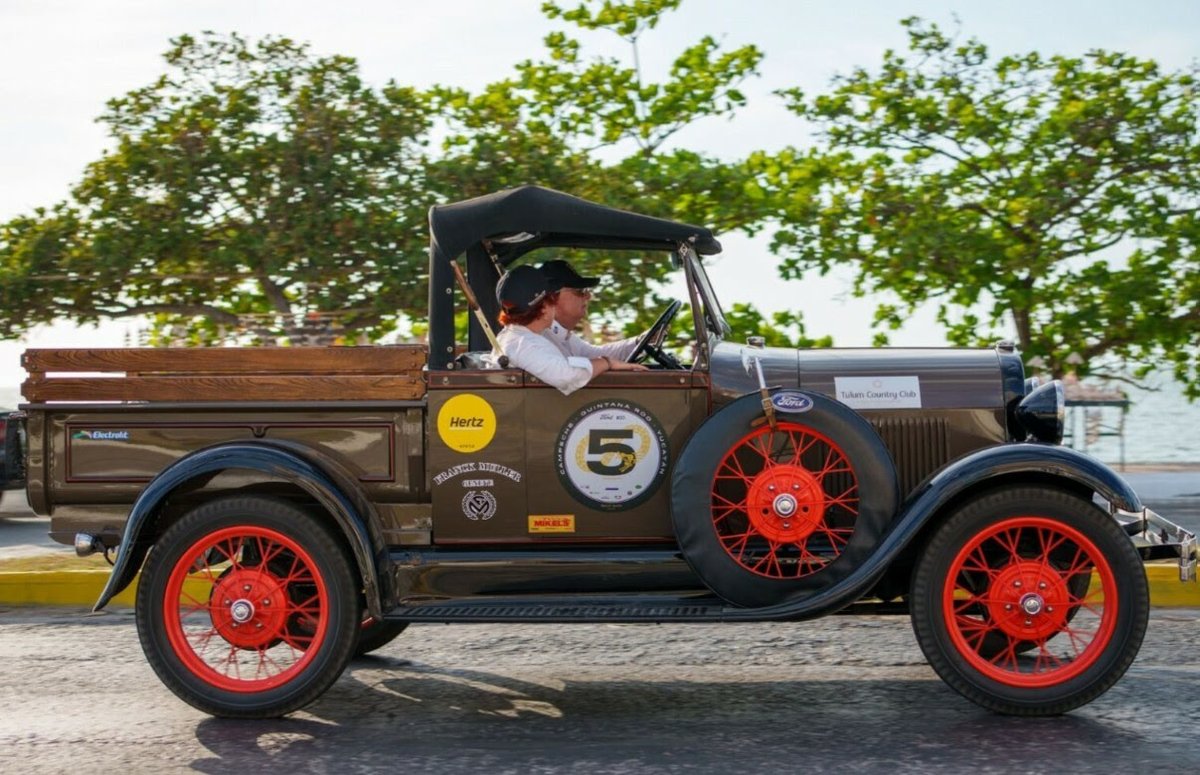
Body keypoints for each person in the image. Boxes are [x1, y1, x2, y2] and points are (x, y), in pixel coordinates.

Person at [493, 265, 647, 395]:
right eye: (552, 299)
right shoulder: (523, 343)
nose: (588, 296)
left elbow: (586, 355)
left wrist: (641, 342)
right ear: (545, 308)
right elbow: (566, 375)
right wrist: (607, 363)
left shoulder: (522, 337)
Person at [538, 259, 642, 362]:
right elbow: (568, 372)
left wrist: (642, 340)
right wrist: (607, 364)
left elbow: (599, 354)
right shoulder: (538, 339)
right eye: (580, 291)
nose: (588, 296)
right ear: (551, 297)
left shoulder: (563, 336)